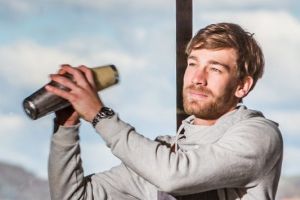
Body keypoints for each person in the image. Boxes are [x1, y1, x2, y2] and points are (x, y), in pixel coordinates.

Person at [45, 22, 283, 200]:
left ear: (242, 86)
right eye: (193, 64)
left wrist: (99, 115)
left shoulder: (259, 135)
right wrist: (66, 128)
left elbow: (174, 176)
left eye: (215, 69)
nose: (198, 78)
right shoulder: (165, 153)